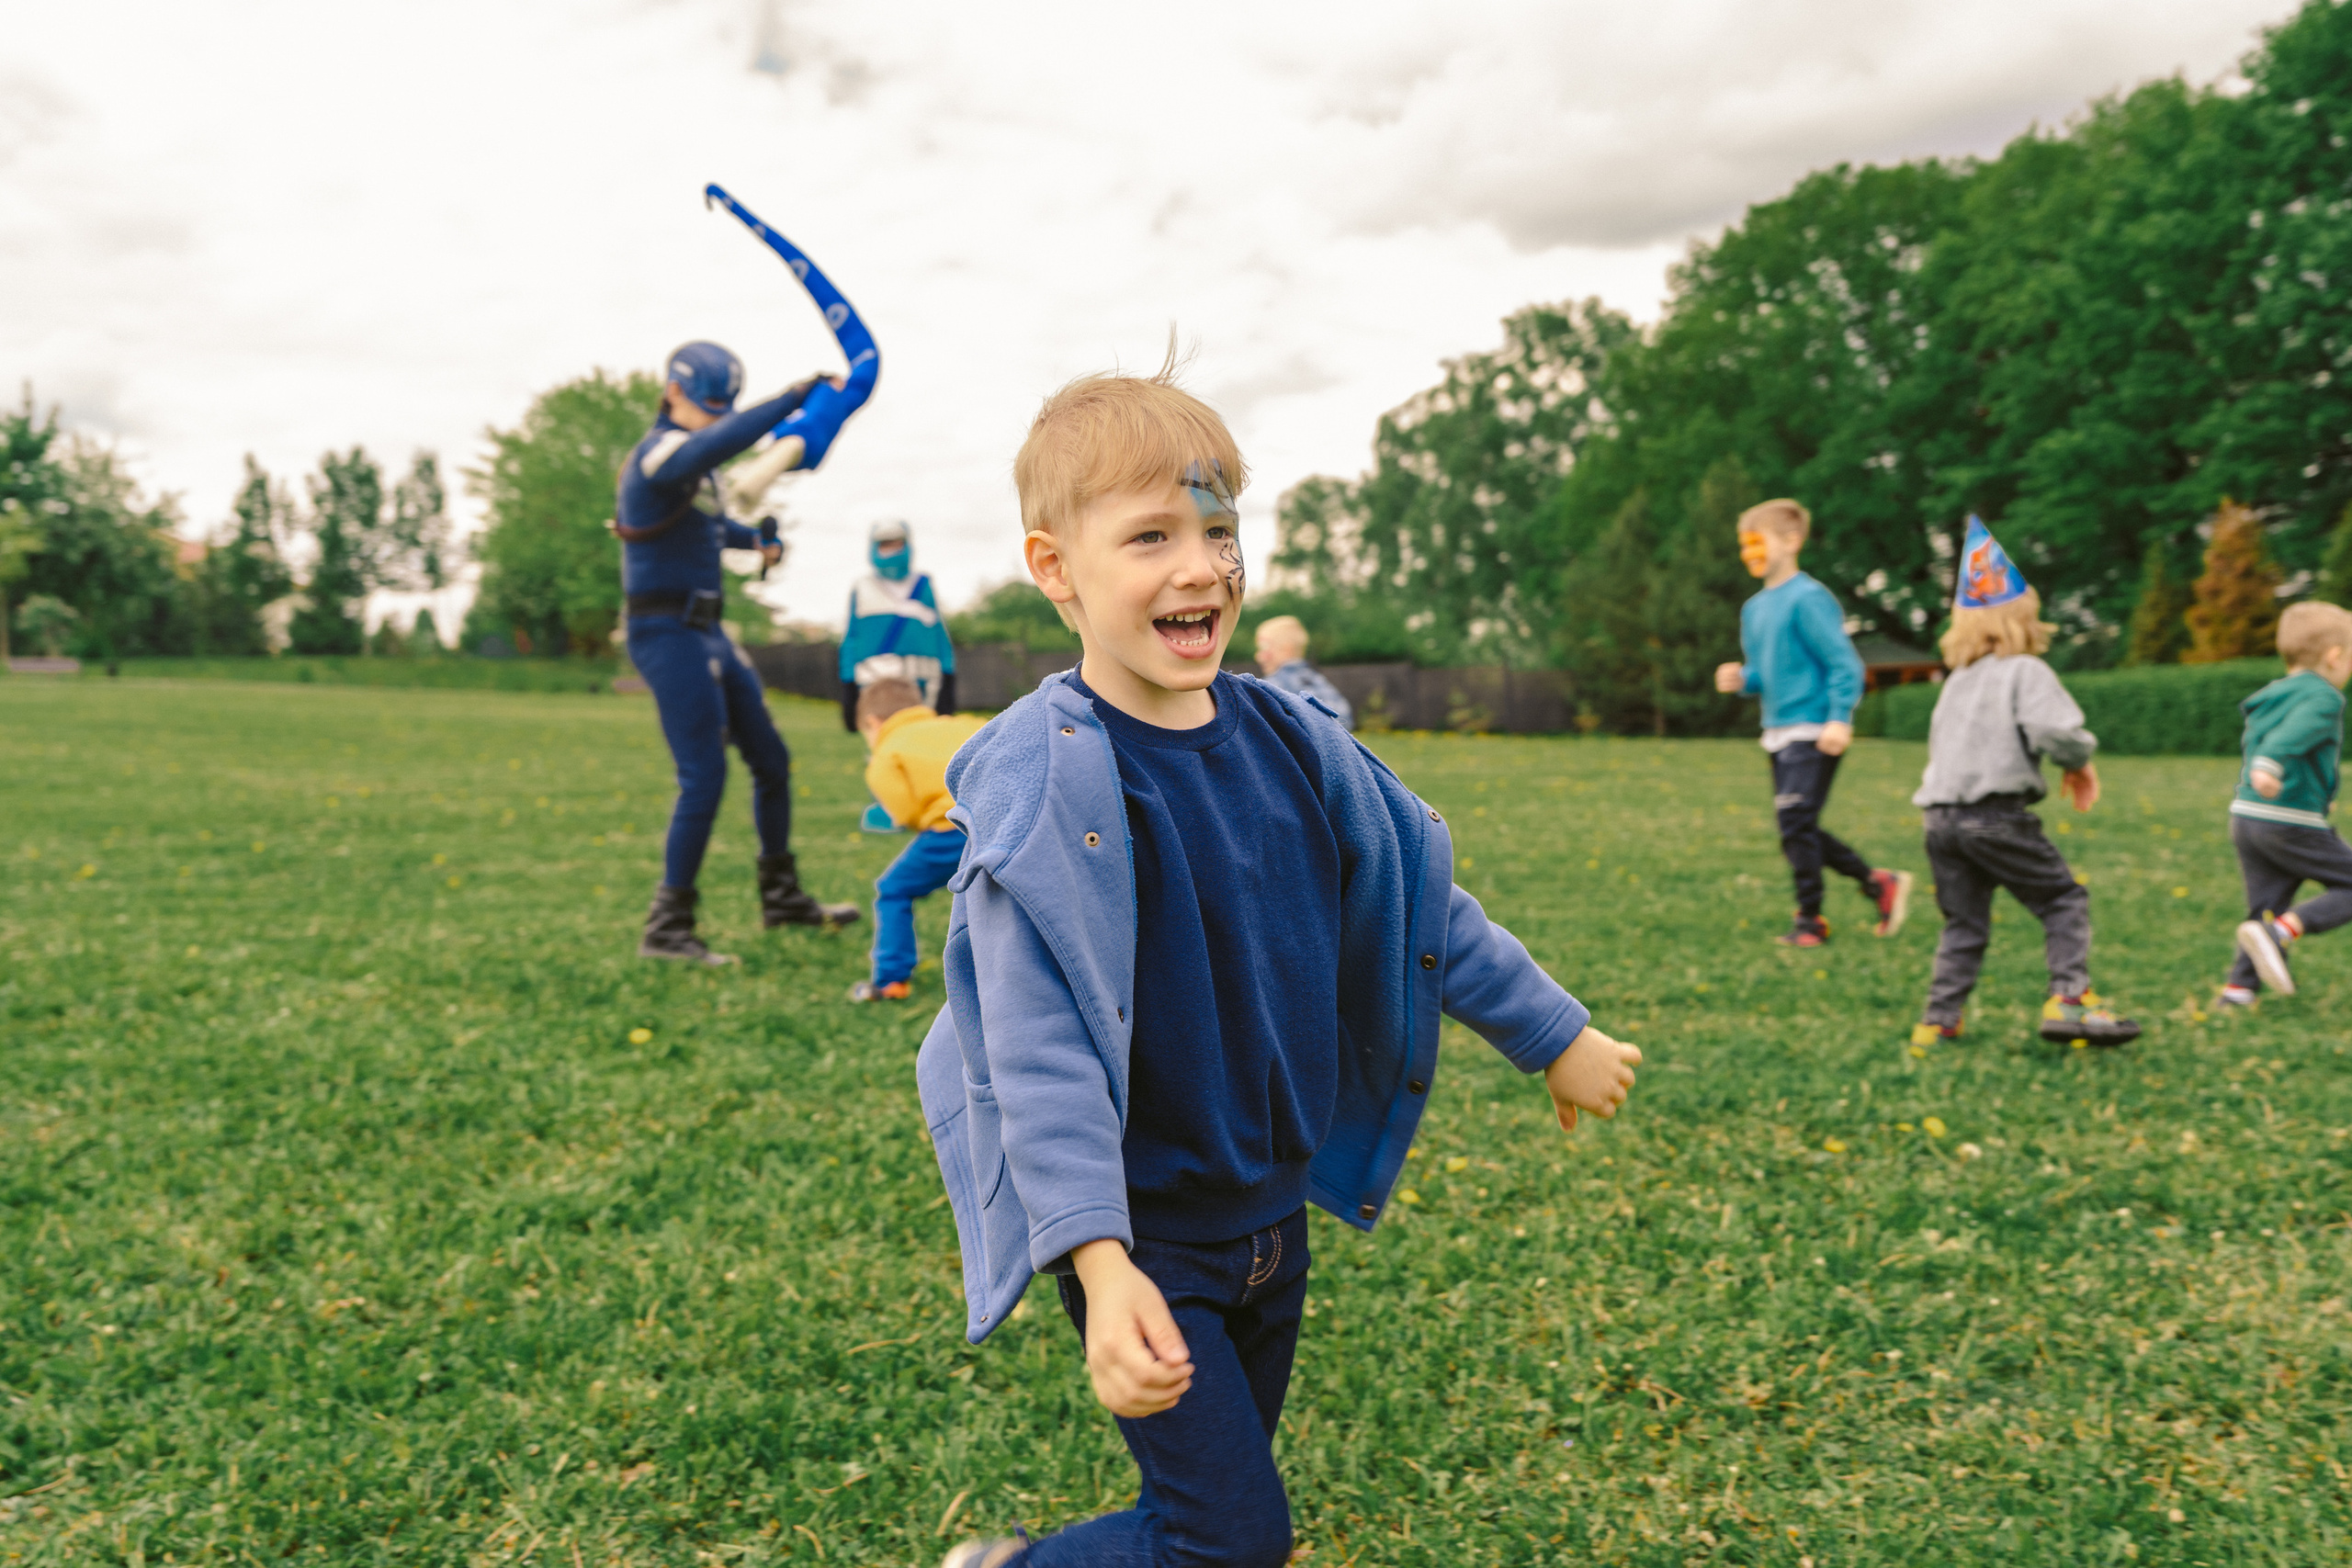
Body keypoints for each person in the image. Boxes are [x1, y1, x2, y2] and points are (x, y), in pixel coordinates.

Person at [921, 361, 1643, 1568]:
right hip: (1147, 1229)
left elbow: (1419, 902)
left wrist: (1550, 1033)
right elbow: (1030, 1046)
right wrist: (1098, 1264)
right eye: (1150, 535)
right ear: (1057, 568)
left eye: (1218, 528)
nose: (1199, 565)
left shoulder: (1297, 743)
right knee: (1233, 1540)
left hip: (1270, 1220)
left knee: (1200, 1526)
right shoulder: (1050, 777)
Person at [616, 340, 859, 964]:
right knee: (705, 774)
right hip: (665, 631)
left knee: (771, 760)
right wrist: (792, 400)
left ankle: (781, 898)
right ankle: (666, 928)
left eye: (726, 408)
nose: (717, 419)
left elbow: (709, 524)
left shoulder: (700, 473)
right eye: (708, 407)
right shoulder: (658, 456)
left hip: (709, 630)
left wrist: (757, 543)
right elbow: (704, 451)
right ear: (672, 392)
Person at [1907, 518, 2138, 1047]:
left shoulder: (1955, 684)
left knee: (1963, 924)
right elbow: (2056, 731)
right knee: (2062, 899)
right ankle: (2071, 999)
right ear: (2024, 619)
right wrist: (2078, 762)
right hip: (1994, 816)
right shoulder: (2026, 672)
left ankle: (1937, 1022)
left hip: (1939, 819)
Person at [1713, 498, 1910, 947]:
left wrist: (1839, 719)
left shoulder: (1809, 598)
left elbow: (1844, 664)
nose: (1749, 554)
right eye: (1744, 546)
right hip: (1777, 731)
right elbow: (1767, 671)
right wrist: (1742, 678)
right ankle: (1877, 881)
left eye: (1756, 543)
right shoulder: (1754, 609)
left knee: (1795, 821)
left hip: (1815, 729)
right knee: (1797, 825)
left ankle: (1811, 920)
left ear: (1791, 540)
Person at [2219, 599, 2352, 1006]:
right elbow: (2290, 737)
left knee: (2264, 904)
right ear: (2334, 657)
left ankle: (2238, 991)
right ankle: (2283, 933)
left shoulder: (2272, 695)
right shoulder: (2324, 697)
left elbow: (2272, 740)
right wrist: (2269, 765)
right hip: (2288, 819)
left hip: (2247, 818)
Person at [846, 677, 987, 1003]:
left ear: (872, 723)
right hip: (1010, 821)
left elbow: (906, 814)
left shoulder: (887, 752)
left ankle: (891, 981)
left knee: (893, 890)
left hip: (953, 831)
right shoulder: (961, 724)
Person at [1250, 614, 1352, 728]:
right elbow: (1345, 719)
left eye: (1264, 648)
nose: (1258, 656)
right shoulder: (1317, 680)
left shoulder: (1270, 686)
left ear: (1286, 650)